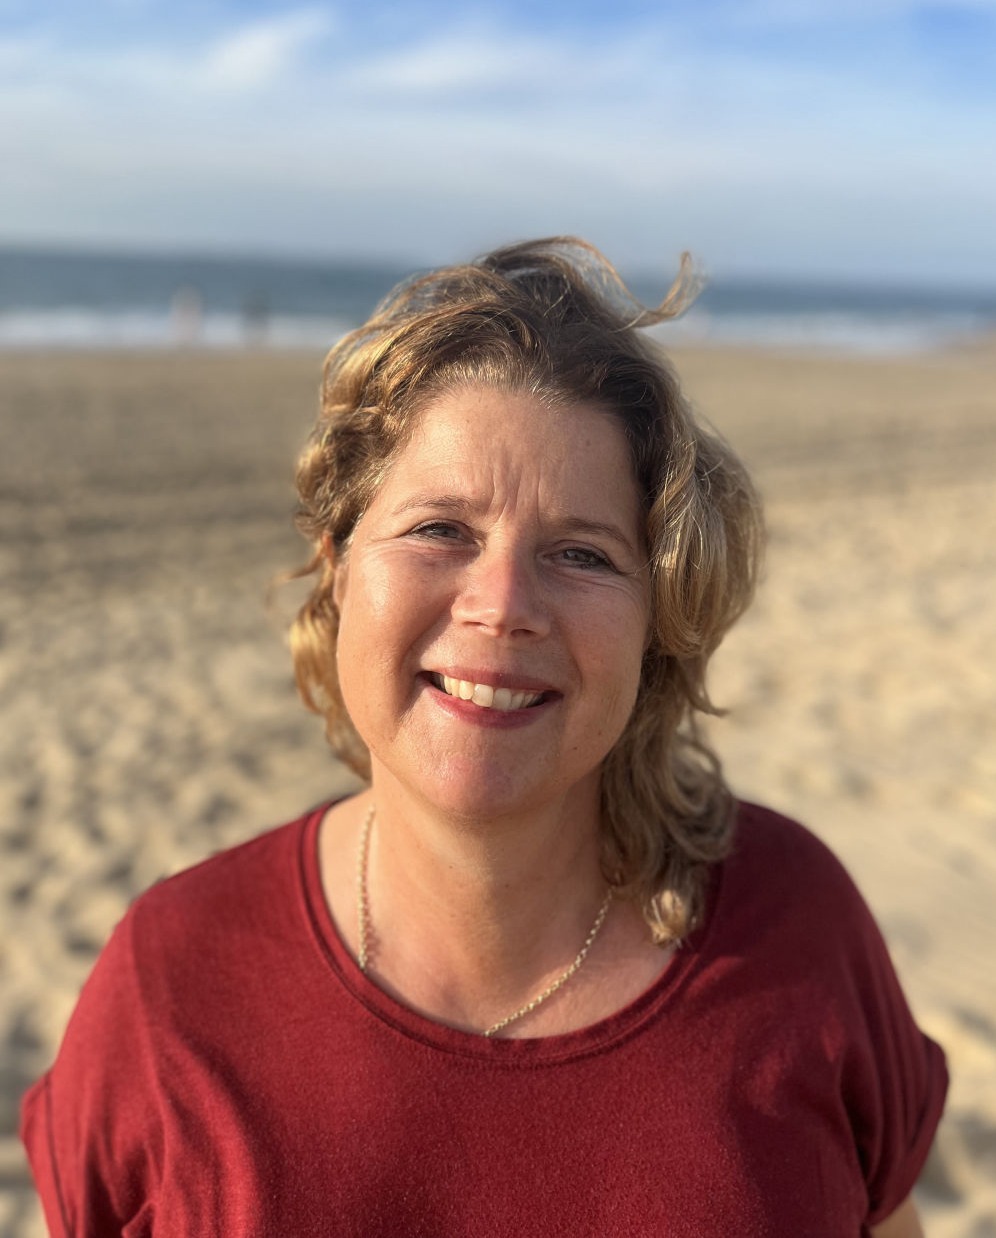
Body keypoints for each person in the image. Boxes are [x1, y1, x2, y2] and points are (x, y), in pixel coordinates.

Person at [21, 238, 946, 1236]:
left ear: (657, 621)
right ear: (338, 568)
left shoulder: (799, 929)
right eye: (441, 530)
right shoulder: (170, 984)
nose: (502, 605)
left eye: (581, 553)